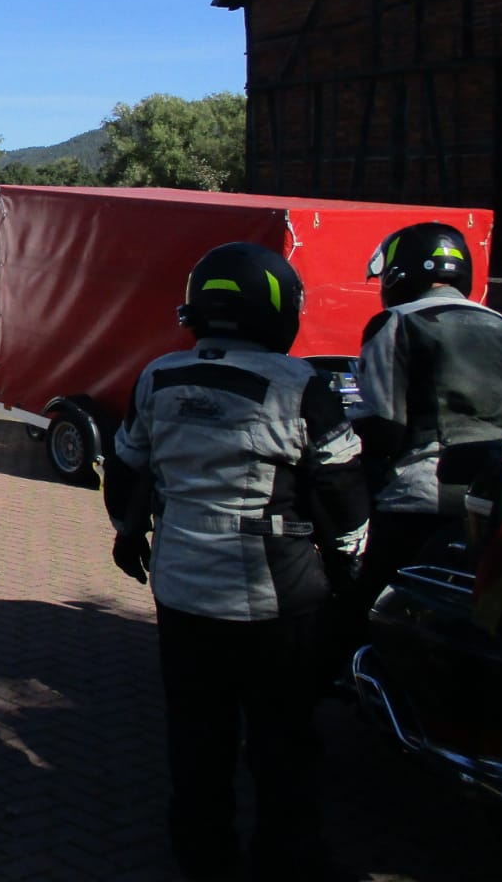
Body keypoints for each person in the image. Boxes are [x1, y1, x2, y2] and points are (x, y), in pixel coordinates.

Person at [103, 242, 369, 882]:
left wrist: (128, 533)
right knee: (283, 740)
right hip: (278, 598)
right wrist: (349, 566)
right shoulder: (301, 384)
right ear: (279, 310)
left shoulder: (157, 376)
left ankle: (203, 854)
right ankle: (288, 858)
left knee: (197, 734)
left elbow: (125, 467)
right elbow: (342, 492)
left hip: (181, 591)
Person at [347, 221, 502, 616]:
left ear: (397, 272)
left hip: (422, 499)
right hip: (501, 502)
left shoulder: (396, 322)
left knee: (365, 608)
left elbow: (385, 426)